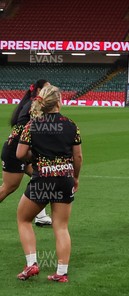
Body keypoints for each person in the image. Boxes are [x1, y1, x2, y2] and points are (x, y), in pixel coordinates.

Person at [16, 84, 82, 282]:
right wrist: (75, 177)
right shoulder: (71, 125)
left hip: (42, 179)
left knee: (24, 219)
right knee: (61, 227)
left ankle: (31, 264)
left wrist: (33, 155)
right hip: (64, 178)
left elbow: (20, 154)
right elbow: (77, 157)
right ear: (59, 103)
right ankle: (61, 273)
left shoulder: (32, 125)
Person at [1, 79, 52, 226]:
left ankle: (40, 216)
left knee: (42, 177)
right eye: (46, 89)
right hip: (16, 151)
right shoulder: (34, 106)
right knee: (9, 187)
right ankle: (40, 215)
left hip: (22, 150)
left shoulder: (30, 104)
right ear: (38, 91)